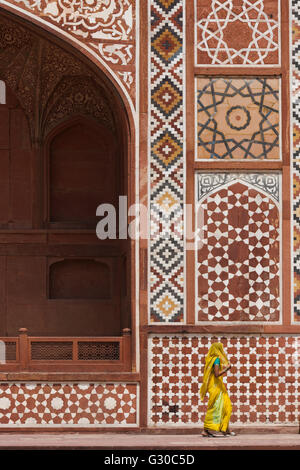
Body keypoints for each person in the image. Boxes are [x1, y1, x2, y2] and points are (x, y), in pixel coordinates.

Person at [200, 342, 235, 437]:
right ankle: (206, 430)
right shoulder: (216, 360)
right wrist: (227, 369)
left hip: (215, 386)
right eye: (221, 349)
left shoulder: (210, 359)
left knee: (225, 407)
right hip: (216, 387)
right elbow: (216, 374)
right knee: (217, 408)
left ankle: (225, 429)